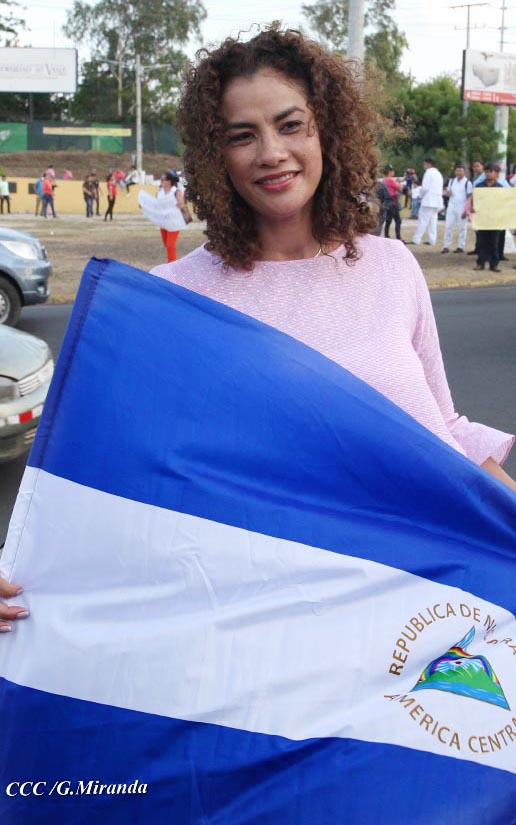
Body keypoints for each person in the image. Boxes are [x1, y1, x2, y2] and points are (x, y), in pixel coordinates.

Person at [2, 25, 515, 633]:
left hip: (419, 604)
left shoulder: (392, 265)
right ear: (215, 156)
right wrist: (24, 567)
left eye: (290, 125)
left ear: (327, 130)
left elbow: (444, 428)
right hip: (270, 629)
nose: (271, 152)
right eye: (242, 136)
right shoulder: (174, 296)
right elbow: (120, 476)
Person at [465, 161, 503, 272]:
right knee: (482, 242)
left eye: (491, 171)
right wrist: (473, 208)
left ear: (496, 173)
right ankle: (480, 263)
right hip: (482, 218)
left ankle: (494, 264)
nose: (488, 174)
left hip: (495, 219)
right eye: (486, 172)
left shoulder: (500, 188)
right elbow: (474, 199)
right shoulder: (479, 186)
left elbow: (503, 203)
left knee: (494, 242)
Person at [410, 158, 444, 245]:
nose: (424, 166)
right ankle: (432, 240)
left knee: (423, 220)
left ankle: (416, 239)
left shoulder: (428, 172)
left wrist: (420, 196)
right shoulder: (438, 173)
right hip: (437, 201)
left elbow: (425, 187)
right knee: (433, 221)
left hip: (429, 200)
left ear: (429, 164)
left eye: (425, 164)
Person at [441, 164, 472, 254]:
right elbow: (448, 193)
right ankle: (446, 246)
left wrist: (467, 209)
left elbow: (469, 196)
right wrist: (447, 193)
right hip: (452, 206)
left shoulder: (467, 183)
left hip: (462, 206)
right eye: (457, 171)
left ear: (464, 172)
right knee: (448, 226)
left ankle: (460, 246)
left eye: (460, 171)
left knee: (462, 227)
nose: (458, 173)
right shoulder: (452, 181)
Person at [157, 172, 186, 262]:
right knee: (166, 244)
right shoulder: (160, 192)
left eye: (163, 180)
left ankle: (171, 264)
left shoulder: (176, 191)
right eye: (161, 180)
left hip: (174, 222)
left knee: (170, 245)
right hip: (163, 221)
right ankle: (170, 261)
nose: (161, 181)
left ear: (169, 181)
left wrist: (178, 205)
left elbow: (182, 205)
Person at [381, 164, 402, 240]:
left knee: (388, 220)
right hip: (393, 201)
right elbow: (399, 188)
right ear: (390, 171)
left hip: (387, 202)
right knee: (398, 220)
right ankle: (398, 237)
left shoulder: (384, 180)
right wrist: (399, 183)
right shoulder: (390, 180)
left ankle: (386, 235)